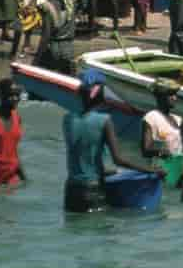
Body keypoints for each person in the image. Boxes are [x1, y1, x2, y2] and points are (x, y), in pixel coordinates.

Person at [64, 82, 164, 212]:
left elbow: (82, 158)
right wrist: (150, 170)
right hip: (92, 190)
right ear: (102, 99)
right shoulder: (104, 120)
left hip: (71, 191)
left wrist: (109, 171)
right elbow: (118, 159)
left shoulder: (67, 119)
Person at [33, 0, 76, 74]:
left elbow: (46, 36)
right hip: (69, 48)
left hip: (55, 48)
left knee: (49, 78)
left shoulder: (49, 7)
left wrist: (37, 60)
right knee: (67, 80)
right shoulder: (71, 1)